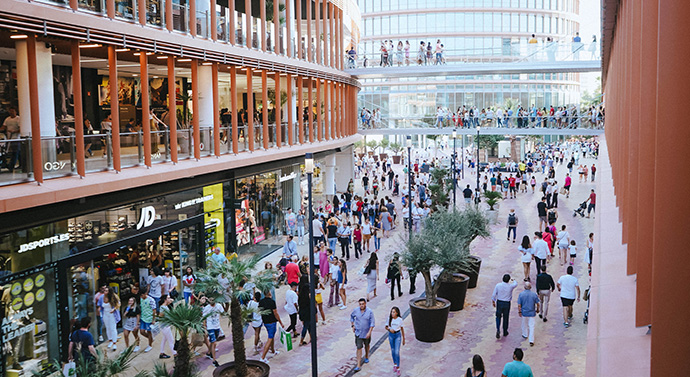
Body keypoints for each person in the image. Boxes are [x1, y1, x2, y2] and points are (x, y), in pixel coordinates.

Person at [350, 298, 375, 372]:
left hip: (366, 332)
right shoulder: (356, 310)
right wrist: (353, 325)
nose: (361, 305)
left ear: (365, 304)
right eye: (360, 304)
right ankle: (358, 364)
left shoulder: (370, 312)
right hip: (358, 332)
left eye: (362, 304)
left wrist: (369, 332)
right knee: (359, 347)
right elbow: (351, 317)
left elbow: (372, 323)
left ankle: (367, 355)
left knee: (367, 345)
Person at [492, 274, 518, 339]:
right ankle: (505, 331)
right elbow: (516, 284)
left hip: (499, 302)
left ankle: (498, 329)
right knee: (506, 317)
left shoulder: (498, 285)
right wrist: (513, 279)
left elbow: (493, 295)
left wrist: (493, 301)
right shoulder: (510, 286)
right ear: (508, 280)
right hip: (507, 303)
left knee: (498, 316)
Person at [517, 282, 540, 346]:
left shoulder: (521, 294)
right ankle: (531, 340)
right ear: (530, 287)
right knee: (531, 326)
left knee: (524, 324)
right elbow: (538, 303)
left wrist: (519, 311)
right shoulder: (534, 294)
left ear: (524, 287)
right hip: (532, 312)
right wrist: (538, 309)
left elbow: (519, 305)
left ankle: (525, 334)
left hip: (524, 312)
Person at [203, 296, 224, 367]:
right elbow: (204, 318)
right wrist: (204, 327)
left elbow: (222, 313)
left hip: (217, 327)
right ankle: (214, 360)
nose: (211, 300)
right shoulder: (206, 308)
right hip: (210, 327)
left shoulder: (219, 306)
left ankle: (209, 352)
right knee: (214, 343)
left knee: (213, 342)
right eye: (210, 299)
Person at [386, 306, 405, 376]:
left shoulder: (400, 320)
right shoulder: (389, 319)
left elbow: (402, 329)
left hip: (397, 335)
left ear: (397, 313)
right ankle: (395, 363)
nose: (392, 313)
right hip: (391, 335)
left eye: (394, 312)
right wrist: (389, 329)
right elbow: (386, 326)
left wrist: (403, 338)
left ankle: (398, 367)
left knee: (397, 351)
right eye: (391, 312)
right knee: (393, 350)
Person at [158, 295, 177, 359]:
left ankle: (161, 353)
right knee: (171, 340)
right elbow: (161, 316)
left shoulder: (165, 306)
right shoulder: (163, 307)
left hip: (165, 326)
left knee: (164, 339)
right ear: (165, 300)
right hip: (165, 326)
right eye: (168, 298)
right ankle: (175, 354)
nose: (170, 299)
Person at [102, 287, 121, 351]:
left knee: (113, 328)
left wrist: (114, 309)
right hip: (105, 314)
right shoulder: (102, 297)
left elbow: (118, 304)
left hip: (111, 314)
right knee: (108, 328)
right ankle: (110, 340)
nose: (105, 292)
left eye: (106, 291)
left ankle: (114, 343)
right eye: (104, 290)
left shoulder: (113, 297)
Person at [139, 289, 157, 353]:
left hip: (149, 318)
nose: (141, 296)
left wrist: (153, 319)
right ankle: (151, 338)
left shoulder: (151, 300)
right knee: (142, 331)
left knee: (149, 332)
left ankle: (150, 345)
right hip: (143, 318)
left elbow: (154, 310)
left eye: (142, 295)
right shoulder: (141, 299)